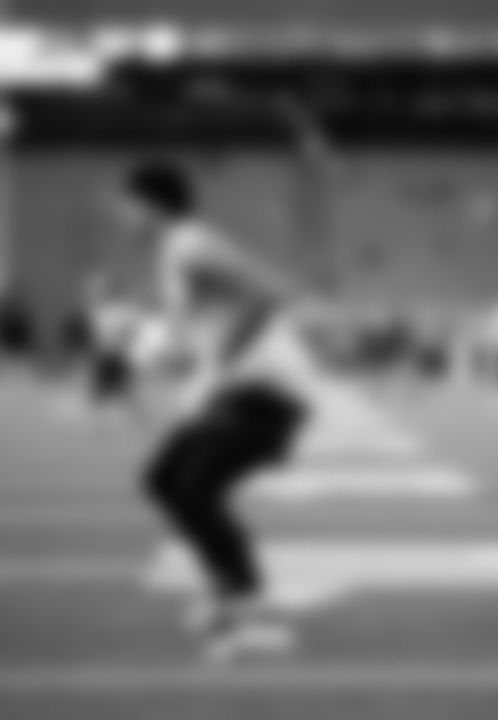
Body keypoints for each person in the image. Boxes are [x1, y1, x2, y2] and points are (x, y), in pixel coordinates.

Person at [106, 160, 315, 662]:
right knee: (165, 481)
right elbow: (193, 341)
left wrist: (220, 359)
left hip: (267, 389)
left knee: (194, 487)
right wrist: (142, 354)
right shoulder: (173, 251)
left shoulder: (189, 243)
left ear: (153, 205)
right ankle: (229, 591)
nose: (120, 215)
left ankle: (252, 606)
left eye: (126, 204)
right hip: (239, 390)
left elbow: (270, 293)